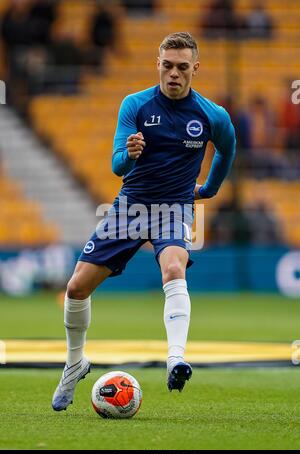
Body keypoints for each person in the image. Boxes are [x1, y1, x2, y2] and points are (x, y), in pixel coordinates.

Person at [52, 32, 236, 411]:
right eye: (167, 66)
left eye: (182, 67)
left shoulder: (212, 115)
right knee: (76, 288)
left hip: (174, 208)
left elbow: (227, 149)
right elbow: (117, 165)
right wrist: (130, 155)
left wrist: (210, 189)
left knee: (174, 267)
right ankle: (74, 364)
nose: (173, 74)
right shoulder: (134, 105)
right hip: (130, 207)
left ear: (195, 69)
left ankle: (176, 359)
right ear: (157, 65)